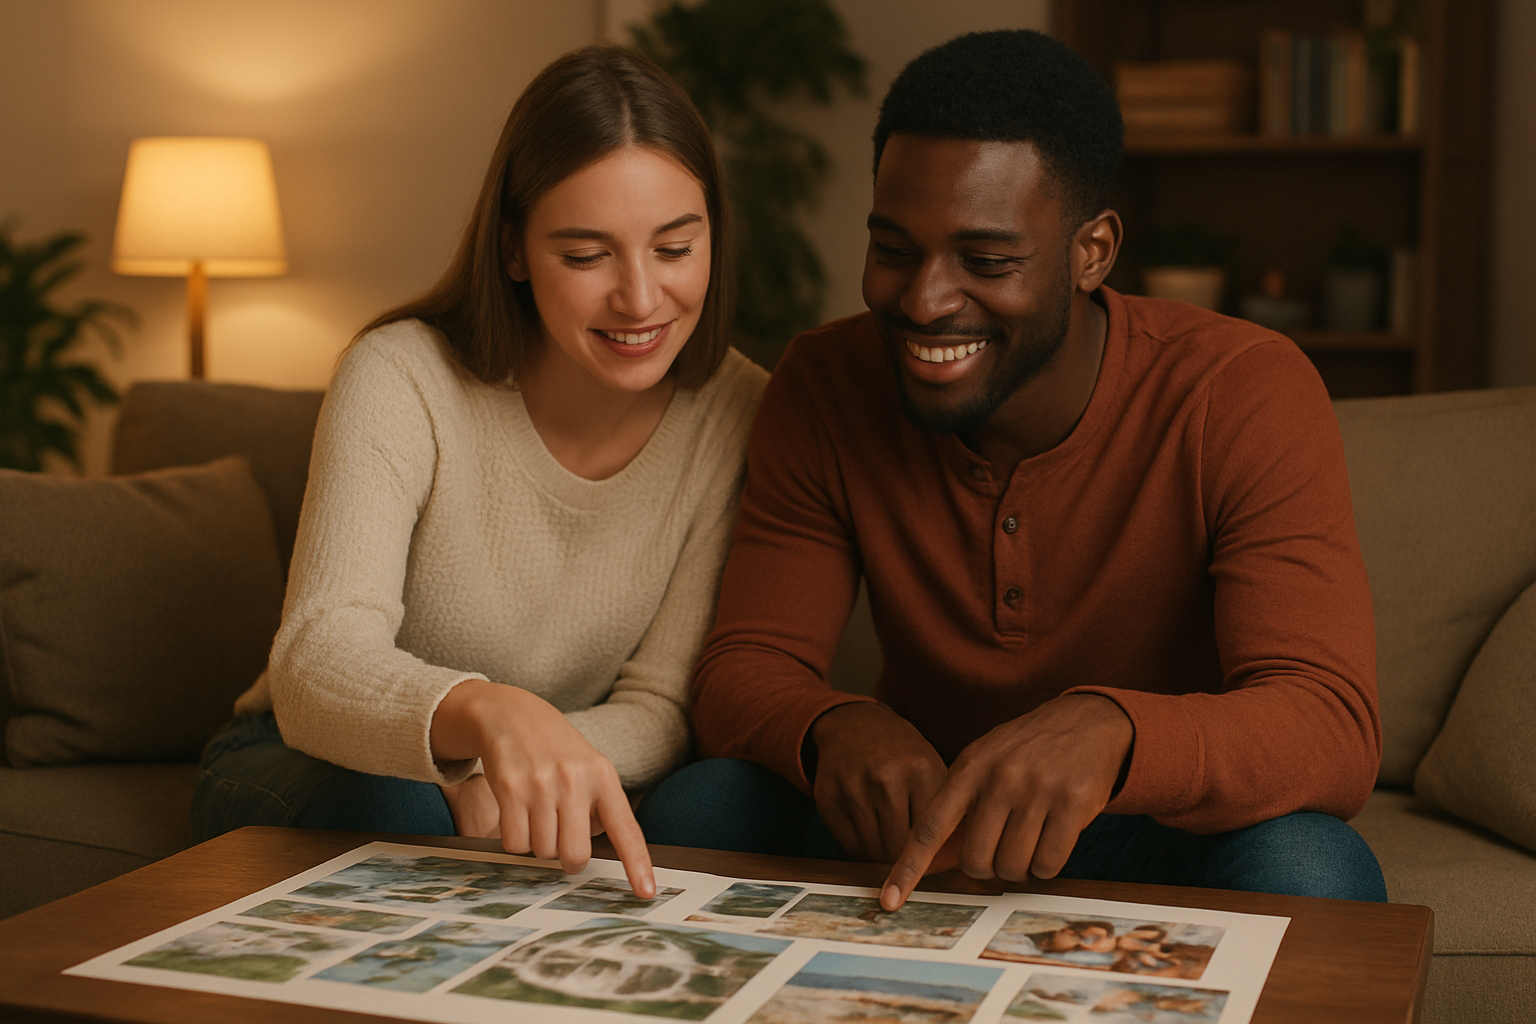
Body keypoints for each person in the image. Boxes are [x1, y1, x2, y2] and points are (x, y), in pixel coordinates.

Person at [637, 29, 1387, 907]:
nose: (923, 300)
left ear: (1092, 251)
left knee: (1312, 866)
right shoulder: (825, 381)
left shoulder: (1244, 389)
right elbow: (745, 666)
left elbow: (1330, 723)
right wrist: (836, 726)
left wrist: (1115, 732)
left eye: (986, 261)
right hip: (922, 823)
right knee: (706, 803)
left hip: (1152, 823)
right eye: (893, 249)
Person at [191, 45, 768, 899]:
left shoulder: (736, 407)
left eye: (675, 247)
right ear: (512, 250)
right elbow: (314, 665)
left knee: (725, 800)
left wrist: (522, 772)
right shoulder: (401, 376)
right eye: (586, 256)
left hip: (552, 770)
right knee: (412, 816)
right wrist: (488, 722)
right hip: (328, 755)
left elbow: (662, 707)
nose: (642, 299)